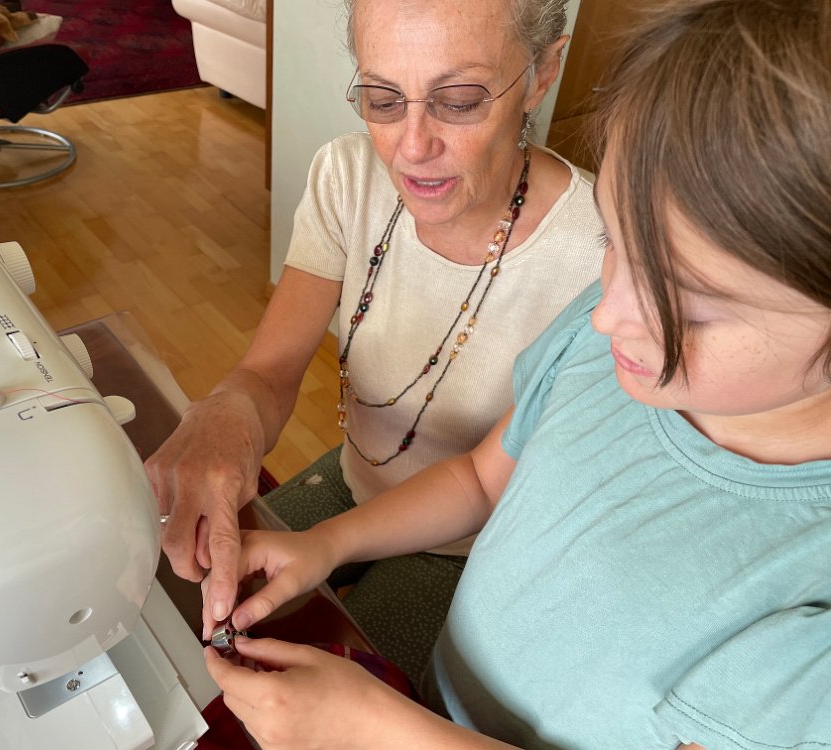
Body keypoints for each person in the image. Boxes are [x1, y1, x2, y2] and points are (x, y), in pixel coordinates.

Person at [202, 0, 831, 747]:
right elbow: (480, 479)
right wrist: (327, 545)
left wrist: (372, 724)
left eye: (689, 308)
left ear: (541, 73)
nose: (607, 316)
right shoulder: (604, 335)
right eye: (614, 243)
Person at [145, 0, 605, 681]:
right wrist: (227, 413)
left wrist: (329, 545)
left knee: (335, 681)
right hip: (356, 475)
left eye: (458, 101)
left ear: (542, 73)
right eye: (383, 100)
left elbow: (488, 484)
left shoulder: (600, 257)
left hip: (472, 549)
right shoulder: (349, 177)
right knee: (181, 608)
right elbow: (270, 370)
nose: (411, 147)